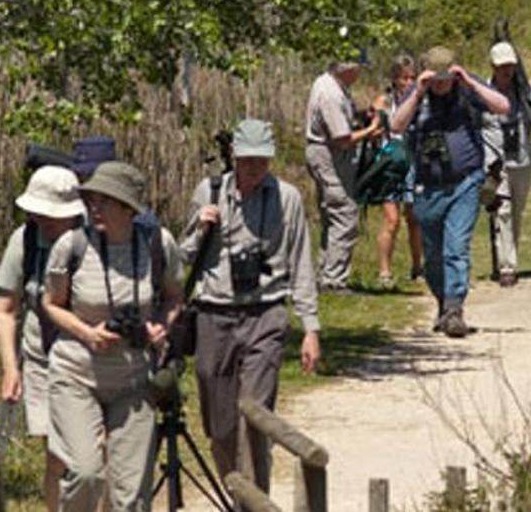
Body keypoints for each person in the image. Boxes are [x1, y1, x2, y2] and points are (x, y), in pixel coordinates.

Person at [183, 118, 323, 493]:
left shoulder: (287, 198)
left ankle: (257, 500)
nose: (255, 168)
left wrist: (311, 328)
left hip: (266, 313)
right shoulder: (209, 192)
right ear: (233, 156)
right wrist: (201, 228)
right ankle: (236, 495)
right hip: (214, 313)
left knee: (255, 417)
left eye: (262, 160)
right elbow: (184, 256)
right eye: (247, 160)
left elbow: (301, 263)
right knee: (222, 425)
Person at [42, 161, 183, 511]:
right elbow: (51, 304)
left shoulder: (157, 244)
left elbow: (173, 296)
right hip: (76, 374)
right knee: (86, 473)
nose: (95, 208)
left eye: (105, 200)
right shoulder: (71, 246)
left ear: (128, 208)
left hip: (134, 380)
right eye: (92, 199)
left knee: (131, 494)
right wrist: (87, 333)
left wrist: (160, 326)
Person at [391, 46, 510, 337]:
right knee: (433, 254)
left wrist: (469, 83)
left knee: (456, 247)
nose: (442, 85)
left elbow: (503, 106)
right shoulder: (416, 94)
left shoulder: (467, 88)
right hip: (427, 185)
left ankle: (456, 308)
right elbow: (395, 125)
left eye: (446, 78)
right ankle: (443, 302)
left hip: (465, 181)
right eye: (437, 79)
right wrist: (419, 93)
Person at [0, 166, 83, 512]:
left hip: (89, 361)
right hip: (41, 357)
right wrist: (10, 367)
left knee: (93, 458)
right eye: (37, 212)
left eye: (50, 214)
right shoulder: (25, 240)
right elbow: (6, 308)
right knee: (57, 454)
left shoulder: (93, 238)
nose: (42, 219)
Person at [305, 59, 382, 293]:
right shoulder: (330, 94)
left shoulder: (330, 84)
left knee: (332, 216)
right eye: (358, 69)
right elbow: (342, 138)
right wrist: (370, 130)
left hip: (327, 153)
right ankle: (334, 280)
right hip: (329, 155)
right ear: (347, 69)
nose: (359, 74)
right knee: (344, 214)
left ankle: (325, 273)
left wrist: (360, 116)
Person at [486, 42, 531, 287]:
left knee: (516, 212)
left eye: (510, 66)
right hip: (497, 160)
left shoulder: (524, 91)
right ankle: (507, 266)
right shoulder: (484, 92)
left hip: (521, 158)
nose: (506, 71)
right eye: (502, 67)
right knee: (503, 211)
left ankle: (506, 256)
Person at [372, 55, 425, 287]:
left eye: (413, 77)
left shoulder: (421, 100)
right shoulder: (384, 101)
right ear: (395, 79)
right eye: (405, 78)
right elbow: (373, 128)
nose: (409, 82)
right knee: (391, 219)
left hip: (414, 160)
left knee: (415, 218)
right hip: (390, 163)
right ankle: (384, 271)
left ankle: (417, 267)